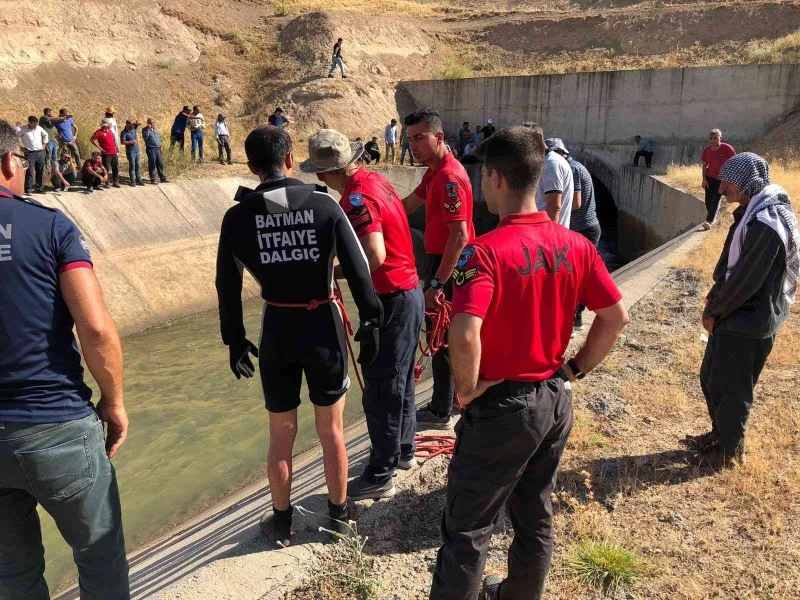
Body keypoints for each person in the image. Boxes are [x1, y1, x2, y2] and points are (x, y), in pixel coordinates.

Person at [430, 126, 629, 600]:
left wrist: (466, 387)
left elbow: (464, 330)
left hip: (503, 405)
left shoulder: (483, 253)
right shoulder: (576, 246)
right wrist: (575, 369)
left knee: (468, 529)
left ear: (495, 178)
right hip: (554, 401)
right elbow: (615, 316)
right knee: (534, 514)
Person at [215, 125, 382, 546]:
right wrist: (371, 320)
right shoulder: (325, 205)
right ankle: (340, 519)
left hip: (278, 329)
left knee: (281, 433)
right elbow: (359, 267)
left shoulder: (237, 218)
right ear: (290, 159)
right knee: (332, 431)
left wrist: (234, 339)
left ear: (252, 167)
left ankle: (281, 522)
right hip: (321, 324)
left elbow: (226, 285)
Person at [0, 118, 130, 599]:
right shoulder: (50, 225)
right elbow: (94, 327)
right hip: (56, 425)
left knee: (12, 577)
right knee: (99, 557)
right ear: (11, 161)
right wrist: (113, 401)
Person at [304, 129, 424, 500]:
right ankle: (403, 451)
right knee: (400, 381)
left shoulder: (356, 199)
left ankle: (380, 472)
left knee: (380, 387)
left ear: (325, 174)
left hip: (392, 298)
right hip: (410, 291)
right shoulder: (375, 180)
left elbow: (374, 254)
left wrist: (331, 273)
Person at [694, 152, 799, 468]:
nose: (722, 189)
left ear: (747, 184)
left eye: (728, 182)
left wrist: (715, 310)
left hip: (748, 319)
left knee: (732, 388)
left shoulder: (767, 222)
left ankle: (729, 452)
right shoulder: (751, 212)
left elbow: (745, 281)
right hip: (737, 315)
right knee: (711, 378)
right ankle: (720, 434)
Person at [401, 109, 475, 429]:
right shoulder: (434, 172)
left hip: (450, 262)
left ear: (439, 137)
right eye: (409, 140)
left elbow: (458, 236)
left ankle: (441, 411)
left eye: (420, 138)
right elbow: (406, 206)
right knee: (444, 337)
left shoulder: (447, 177)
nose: (413, 146)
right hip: (443, 259)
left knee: (441, 339)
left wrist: (436, 284)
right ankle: (454, 401)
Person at [548, 139, 602, 331]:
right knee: (578, 275)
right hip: (584, 228)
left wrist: (552, 207)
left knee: (575, 277)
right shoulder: (572, 166)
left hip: (583, 229)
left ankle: (576, 317)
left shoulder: (572, 169)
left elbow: (576, 203)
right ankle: (575, 317)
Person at [700, 128, 737, 229]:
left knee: (715, 199)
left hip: (722, 179)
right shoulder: (707, 150)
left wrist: (730, 177)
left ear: (720, 138)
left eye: (715, 138)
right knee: (708, 200)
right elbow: (704, 165)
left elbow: (734, 161)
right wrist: (704, 179)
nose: (713, 140)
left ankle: (709, 221)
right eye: (711, 138)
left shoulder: (727, 148)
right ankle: (714, 217)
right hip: (709, 178)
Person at [535, 134, 574, 228]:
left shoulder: (551, 164)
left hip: (548, 235)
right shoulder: (551, 162)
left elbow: (554, 207)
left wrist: (551, 236)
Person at [15, 116, 48, 194]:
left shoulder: (39, 128)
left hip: (40, 152)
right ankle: (28, 189)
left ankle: (39, 188)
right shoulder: (22, 129)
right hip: (30, 154)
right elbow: (15, 138)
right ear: (29, 122)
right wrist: (20, 148)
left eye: (36, 124)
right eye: (33, 124)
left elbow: (45, 135)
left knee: (40, 170)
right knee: (30, 171)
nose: (35, 125)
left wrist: (44, 144)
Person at [91, 118, 121, 188]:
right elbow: (92, 140)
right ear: (105, 125)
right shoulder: (99, 132)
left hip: (113, 152)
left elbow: (113, 140)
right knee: (106, 168)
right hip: (106, 154)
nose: (110, 126)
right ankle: (107, 182)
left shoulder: (110, 131)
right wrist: (100, 148)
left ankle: (115, 182)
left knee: (115, 168)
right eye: (109, 125)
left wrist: (116, 148)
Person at [142, 117, 168, 184]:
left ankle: (162, 177)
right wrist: (148, 129)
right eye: (150, 123)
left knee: (160, 163)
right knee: (152, 164)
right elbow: (145, 138)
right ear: (147, 123)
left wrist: (160, 147)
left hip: (158, 148)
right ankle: (153, 179)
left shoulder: (155, 129)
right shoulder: (145, 130)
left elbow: (158, 138)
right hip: (151, 149)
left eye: (153, 123)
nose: (152, 124)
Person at [120, 119, 144, 186]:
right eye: (131, 124)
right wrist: (131, 142)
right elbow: (122, 142)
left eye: (133, 124)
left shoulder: (133, 129)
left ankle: (139, 180)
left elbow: (139, 123)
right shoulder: (124, 132)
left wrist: (138, 122)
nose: (133, 125)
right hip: (130, 152)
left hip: (137, 150)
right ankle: (133, 180)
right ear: (127, 124)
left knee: (138, 165)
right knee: (132, 166)